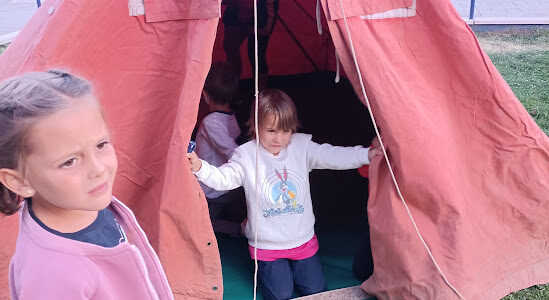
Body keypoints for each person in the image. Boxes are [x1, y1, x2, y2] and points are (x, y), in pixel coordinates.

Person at [188, 89, 382, 300]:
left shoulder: (300, 146)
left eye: (285, 131)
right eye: (271, 131)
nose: (279, 138)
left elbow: (333, 155)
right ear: (255, 126)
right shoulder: (246, 155)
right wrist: (200, 167)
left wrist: (365, 154)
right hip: (267, 246)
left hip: (302, 240)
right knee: (280, 294)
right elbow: (223, 178)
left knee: (315, 290)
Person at [0, 70, 173, 299]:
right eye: (69, 161)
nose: (99, 169)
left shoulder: (82, 202)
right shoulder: (53, 277)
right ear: (20, 181)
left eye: (101, 145)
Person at [196, 62, 246, 236]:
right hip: (227, 187)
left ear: (205, 95)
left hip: (211, 190)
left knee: (200, 225)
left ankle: (239, 229)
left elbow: (232, 151)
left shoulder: (211, 123)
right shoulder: (230, 117)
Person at [222, 0, 279, 90]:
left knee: (255, 54)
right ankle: (233, 89)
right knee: (230, 47)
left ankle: (261, 95)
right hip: (237, 9)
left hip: (261, 10)